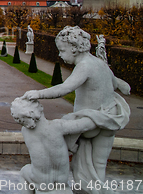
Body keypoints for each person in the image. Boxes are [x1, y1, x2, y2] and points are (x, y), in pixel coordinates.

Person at [23, 26, 130, 194]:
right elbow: (116, 83)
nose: (59, 54)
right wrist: (124, 86)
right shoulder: (99, 63)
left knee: (52, 135)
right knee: (99, 165)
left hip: (88, 121)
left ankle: (50, 182)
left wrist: (38, 93)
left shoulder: (84, 66)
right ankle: (94, 190)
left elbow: (65, 88)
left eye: (62, 50)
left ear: (74, 48)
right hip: (110, 116)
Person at [11, 97, 96, 194]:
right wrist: (100, 114)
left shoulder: (25, 131)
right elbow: (87, 125)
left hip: (42, 185)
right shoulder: (57, 126)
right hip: (62, 185)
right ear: (39, 109)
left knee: (24, 171)